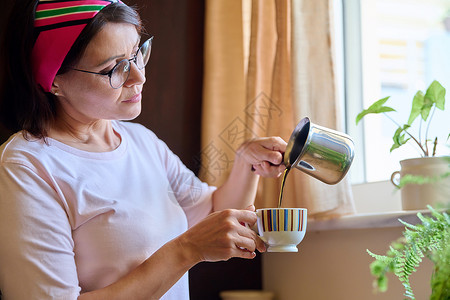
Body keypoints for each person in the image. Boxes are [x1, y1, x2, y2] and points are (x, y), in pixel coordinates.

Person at [0, 1, 287, 299]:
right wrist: (187, 250)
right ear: (54, 80)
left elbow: (213, 214)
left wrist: (247, 163)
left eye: (138, 54)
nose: (139, 77)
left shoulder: (140, 141)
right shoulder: (27, 167)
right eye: (114, 68)